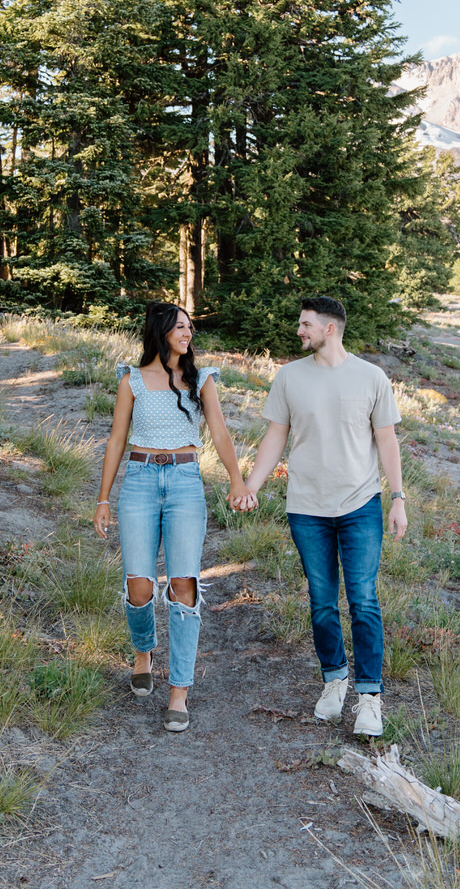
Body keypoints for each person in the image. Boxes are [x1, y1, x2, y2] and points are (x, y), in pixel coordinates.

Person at [237, 295, 407, 737]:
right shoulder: (290, 377)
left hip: (360, 505)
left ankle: (370, 698)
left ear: (329, 328)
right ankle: (335, 681)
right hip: (306, 508)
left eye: (306, 324)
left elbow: (387, 441)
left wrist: (398, 498)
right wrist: (252, 485)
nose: (300, 330)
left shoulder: (371, 377)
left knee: (364, 599)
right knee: (322, 600)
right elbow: (276, 435)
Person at [94, 302, 247, 733]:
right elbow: (116, 438)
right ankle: (144, 652)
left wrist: (237, 481)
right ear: (160, 332)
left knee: (183, 584)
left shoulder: (201, 379)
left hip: (184, 482)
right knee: (139, 586)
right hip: (140, 481)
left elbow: (218, 431)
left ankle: (179, 690)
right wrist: (103, 497)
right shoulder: (132, 379)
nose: (188, 333)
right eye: (180, 327)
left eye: (190, 327)